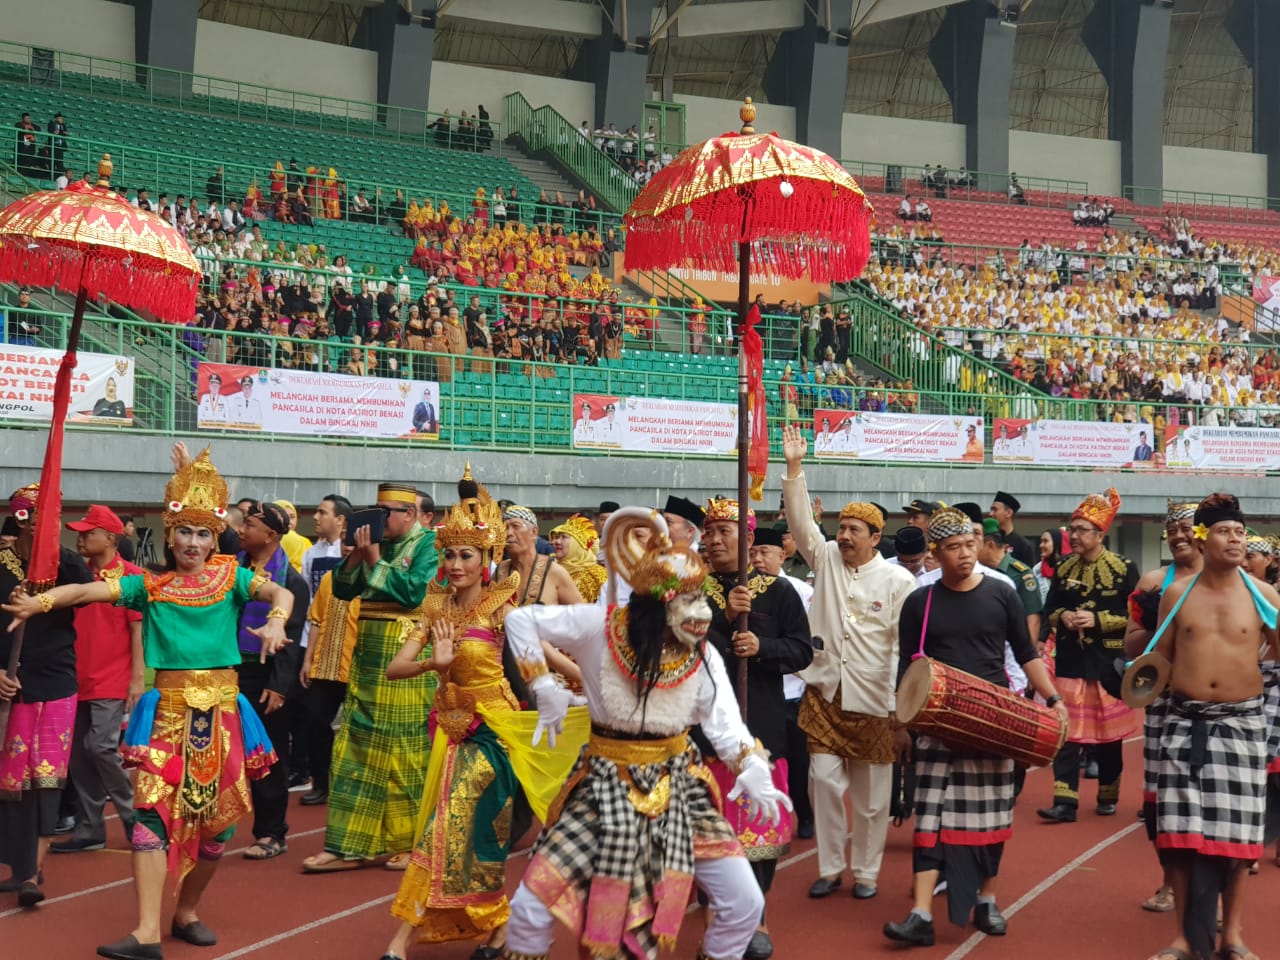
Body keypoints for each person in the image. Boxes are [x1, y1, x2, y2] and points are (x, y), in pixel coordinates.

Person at [2, 449, 294, 958]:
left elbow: (280, 594)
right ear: (169, 533)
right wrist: (40, 601)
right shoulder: (150, 587)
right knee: (150, 818)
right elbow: (86, 590)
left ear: (215, 538)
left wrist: (277, 621)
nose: (194, 543)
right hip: (168, 715)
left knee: (218, 829)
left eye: (204, 533)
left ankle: (186, 912)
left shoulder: (231, 579)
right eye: (185, 531)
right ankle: (145, 932)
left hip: (224, 714)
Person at [500, 508, 791, 960]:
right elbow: (521, 621)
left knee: (745, 903)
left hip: (680, 786)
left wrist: (753, 767)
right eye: (684, 603)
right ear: (654, 606)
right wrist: (542, 686)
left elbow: (727, 729)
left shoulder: (704, 655)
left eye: (698, 600)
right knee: (528, 911)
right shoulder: (600, 626)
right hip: (603, 785)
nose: (698, 614)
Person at [380, 471, 587, 960]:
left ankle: (407, 939)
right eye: (449, 554)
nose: (455, 564)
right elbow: (395, 668)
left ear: (488, 560)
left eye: (466, 555)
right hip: (448, 732)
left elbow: (539, 656)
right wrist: (436, 662)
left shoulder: (502, 608)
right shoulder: (435, 608)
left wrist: (589, 678)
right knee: (444, 827)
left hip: (493, 731)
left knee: (457, 827)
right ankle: (495, 926)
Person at [883, 508, 1067, 946]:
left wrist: (1054, 699)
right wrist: (899, 723)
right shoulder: (919, 602)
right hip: (936, 720)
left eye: (969, 544)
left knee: (992, 817)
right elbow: (906, 668)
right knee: (930, 818)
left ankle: (987, 899)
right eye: (953, 548)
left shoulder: (1002, 593)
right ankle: (921, 914)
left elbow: (1027, 653)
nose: (964, 554)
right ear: (936, 552)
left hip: (995, 719)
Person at [780, 425, 918, 903]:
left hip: (876, 701)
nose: (843, 536)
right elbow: (801, 525)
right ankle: (830, 866)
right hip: (825, 693)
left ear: (876, 537)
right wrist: (796, 469)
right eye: (840, 528)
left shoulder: (899, 581)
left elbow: (907, 647)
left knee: (873, 797)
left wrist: (902, 706)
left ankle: (866, 873)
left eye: (853, 530)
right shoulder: (826, 560)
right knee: (822, 780)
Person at [1150, 493, 1279, 960]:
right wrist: (1132, 677)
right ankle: (1184, 938)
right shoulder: (1176, 594)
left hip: (1242, 726)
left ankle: (1233, 936)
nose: (1237, 539)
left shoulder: (1264, 597)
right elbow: (1157, 663)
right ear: (1203, 539)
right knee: (1179, 838)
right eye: (1226, 531)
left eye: (1241, 532)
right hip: (1185, 724)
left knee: (1239, 842)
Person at [302, 483, 438, 874]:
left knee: (407, 753)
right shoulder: (373, 543)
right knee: (354, 750)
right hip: (367, 659)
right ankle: (346, 846)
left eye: (387, 511)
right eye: (375, 510)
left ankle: (409, 843)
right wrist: (355, 558)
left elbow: (413, 594)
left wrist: (375, 558)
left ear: (410, 514)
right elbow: (344, 592)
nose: (379, 519)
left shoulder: (430, 544)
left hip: (408, 656)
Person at [700, 497, 814, 958]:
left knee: (758, 835)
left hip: (761, 724)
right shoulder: (691, 590)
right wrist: (726, 625)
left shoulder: (779, 592)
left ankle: (757, 917)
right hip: (705, 731)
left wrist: (761, 646)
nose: (714, 540)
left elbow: (802, 651)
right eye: (708, 532)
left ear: (747, 539)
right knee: (709, 835)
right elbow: (684, 650)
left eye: (723, 531)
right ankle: (714, 921)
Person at [0, 485, 96, 906]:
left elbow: (90, 595)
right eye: (42, 517)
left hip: (56, 683)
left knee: (47, 777)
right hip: (10, 687)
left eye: (55, 518)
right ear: (24, 520)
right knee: (10, 780)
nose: (51, 526)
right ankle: (18, 866)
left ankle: (32, 872)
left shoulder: (70, 565)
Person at [1039, 488, 1140, 823]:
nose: (1073, 536)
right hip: (1070, 661)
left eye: (1081, 530)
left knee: (1108, 736)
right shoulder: (1063, 566)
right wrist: (1063, 617)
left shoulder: (1124, 568)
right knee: (1065, 732)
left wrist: (1099, 620)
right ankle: (1065, 802)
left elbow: (1137, 619)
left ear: (1101, 534)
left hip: (1107, 663)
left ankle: (1108, 793)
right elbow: (1049, 610)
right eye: (1072, 529)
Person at [1124, 500, 1201, 919]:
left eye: (1187, 529)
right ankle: (1170, 882)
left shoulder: (1229, 581)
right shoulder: (1153, 582)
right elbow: (1132, 645)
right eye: (1172, 531)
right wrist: (1158, 623)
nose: (1178, 537)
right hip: (1165, 702)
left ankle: (1211, 894)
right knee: (1160, 802)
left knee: (1210, 802)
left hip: (1217, 705)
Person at [51, 506, 143, 855]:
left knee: (101, 747)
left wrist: (136, 678)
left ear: (110, 538)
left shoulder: (131, 576)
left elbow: (137, 628)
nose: (80, 537)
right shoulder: (77, 574)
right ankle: (90, 828)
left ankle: (133, 816)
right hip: (75, 676)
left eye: (89, 532)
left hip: (111, 676)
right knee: (77, 756)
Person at [235, 502, 309, 862]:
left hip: (266, 676)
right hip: (227, 671)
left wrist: (280, 686)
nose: (242, 529)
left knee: (267, 756)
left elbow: (291, 642)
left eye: (249, 525)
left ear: (271, 536)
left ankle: (271, 832)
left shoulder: (291, 582)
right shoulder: (230, 569)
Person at [750, 526, 815, 837]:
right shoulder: (745, 590)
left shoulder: (799, 591)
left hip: (795, 690)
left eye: (765, 553)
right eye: (753, 553)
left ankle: (804, 814)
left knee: (799, 761)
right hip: (760, 692)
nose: (758, 559)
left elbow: (807, 643)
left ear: (782, 555)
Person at [298, 495, 354, 807]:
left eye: (323, 512)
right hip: (324, 654)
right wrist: (307, 656)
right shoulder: (313, 556)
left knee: (356, 726)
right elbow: (313, 609)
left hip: (356, 656)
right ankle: (322, 781)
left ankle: (350, 782)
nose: (317, 517)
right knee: (315, 719)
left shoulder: (370, 567)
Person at [497, 505, 582, 608]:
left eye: (516, 526)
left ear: (534, 532)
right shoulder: (500, 571)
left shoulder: (554, 571)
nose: (509, 533)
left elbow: (582, 617)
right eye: (505, 528)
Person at [978, 519, 1044, 642]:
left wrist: (1028, 656)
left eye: (976, 545)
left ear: (990, 545)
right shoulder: (978, 572)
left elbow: (1033, 619)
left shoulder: (1021, 574)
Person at [548, 515, 607, 603]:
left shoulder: (597, 575)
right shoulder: (547, 569)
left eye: (564, 537)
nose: (556, 542)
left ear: (577, 544)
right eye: (555, 537)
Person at [989, 491, 1035, 567]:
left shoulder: (1023, 545)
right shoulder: (988, 541)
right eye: (991, 510)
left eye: (995, 510)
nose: (990, 514)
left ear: (1009, 513)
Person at [273, 499, 311, 575]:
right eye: (284, 516)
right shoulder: (267, 540)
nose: (289, 521)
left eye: (292, 517)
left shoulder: (305, 542)